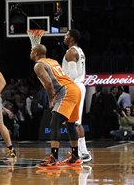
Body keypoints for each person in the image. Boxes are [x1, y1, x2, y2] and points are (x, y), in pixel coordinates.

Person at [30, 44, 81, 168]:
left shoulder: (38, 65)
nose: (30, 52)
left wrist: (51, 100)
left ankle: (54, 158)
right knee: (70, 124)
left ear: (36, 53)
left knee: (55, 122)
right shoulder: (52, 61)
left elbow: (48, 82)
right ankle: (75, 156)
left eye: (32, 51)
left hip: (66, 91)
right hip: (75, 89)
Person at [62, 29, 92, 163]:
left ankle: (83, 153)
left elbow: (72, 75)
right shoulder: (79, 50)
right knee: (75, 122)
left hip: (74, 87)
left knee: (74, 122)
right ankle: (82, 152)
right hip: (78, 87)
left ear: (72, 38)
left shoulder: (71, 51)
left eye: (67, 35)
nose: (64, 37)